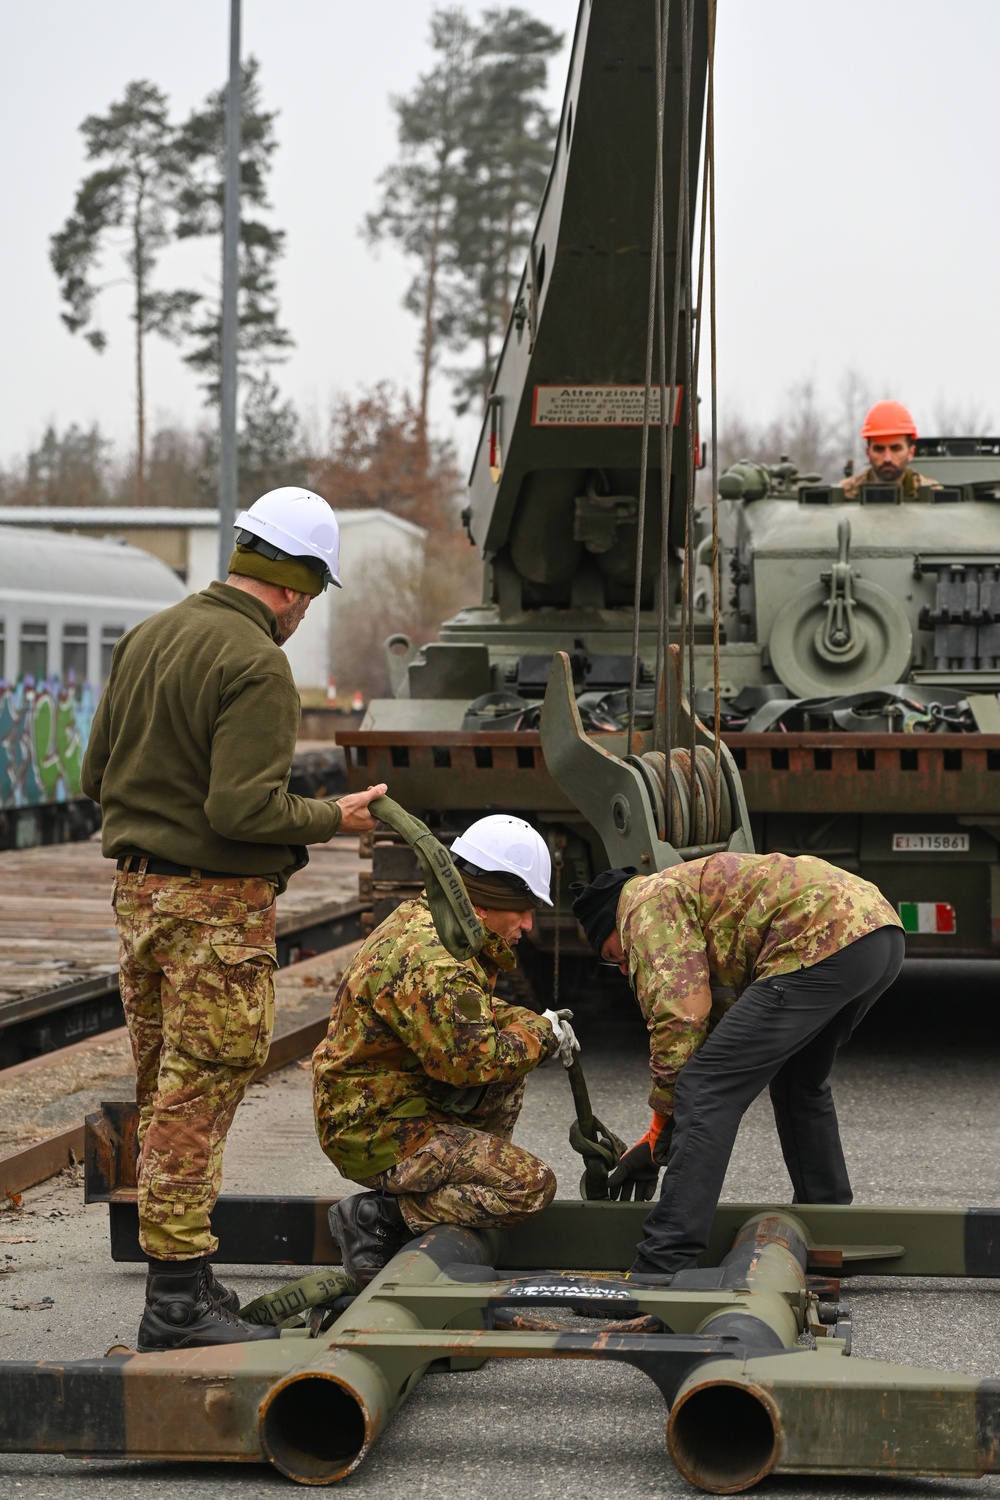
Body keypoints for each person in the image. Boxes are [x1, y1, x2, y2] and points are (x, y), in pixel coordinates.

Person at [81, 486, 387, 1351]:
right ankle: (176, 1307)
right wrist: (336, 818)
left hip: (139, 900)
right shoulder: (256, 664)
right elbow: (243, 811)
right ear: (293, 589)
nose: (305, 613)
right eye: (314, 596)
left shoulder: (151, 636)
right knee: (198, 1096)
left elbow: (94, 777)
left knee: (165, 1090)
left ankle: (185, 1274)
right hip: (213, 910)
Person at [571, 852, 904, 1282]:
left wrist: (662, 1123)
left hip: (820, 939)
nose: (621, 967)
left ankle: (662, 1264)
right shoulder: (681, 891)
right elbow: (722, 1023)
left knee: (706, 1089)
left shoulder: (642, 905)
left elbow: (682, 1014)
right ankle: (829, 1232)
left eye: (612, 954)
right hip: (876, 932)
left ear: (612, 926)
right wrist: (663, 1136)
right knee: (800, 1083)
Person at [313, 815, 579, 1286]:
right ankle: (380, 1217)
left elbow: (469, 1016)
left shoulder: (438, 923)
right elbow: (474, 1062)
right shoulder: (434, 958)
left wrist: (532, 1022)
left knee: (512, 1051)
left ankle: (455, 1190)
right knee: (529, 1187)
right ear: (488, 902)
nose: (528, 923)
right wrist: (544, 1036)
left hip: (388, 1104)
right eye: (521, 908)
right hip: (375, 1129)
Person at [839, 400, 940, 499]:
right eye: (879, 449)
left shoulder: (932, 495)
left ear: (911, 452)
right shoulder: (844, 493)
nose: (887, 459)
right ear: (868, 454)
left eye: (895, 449)